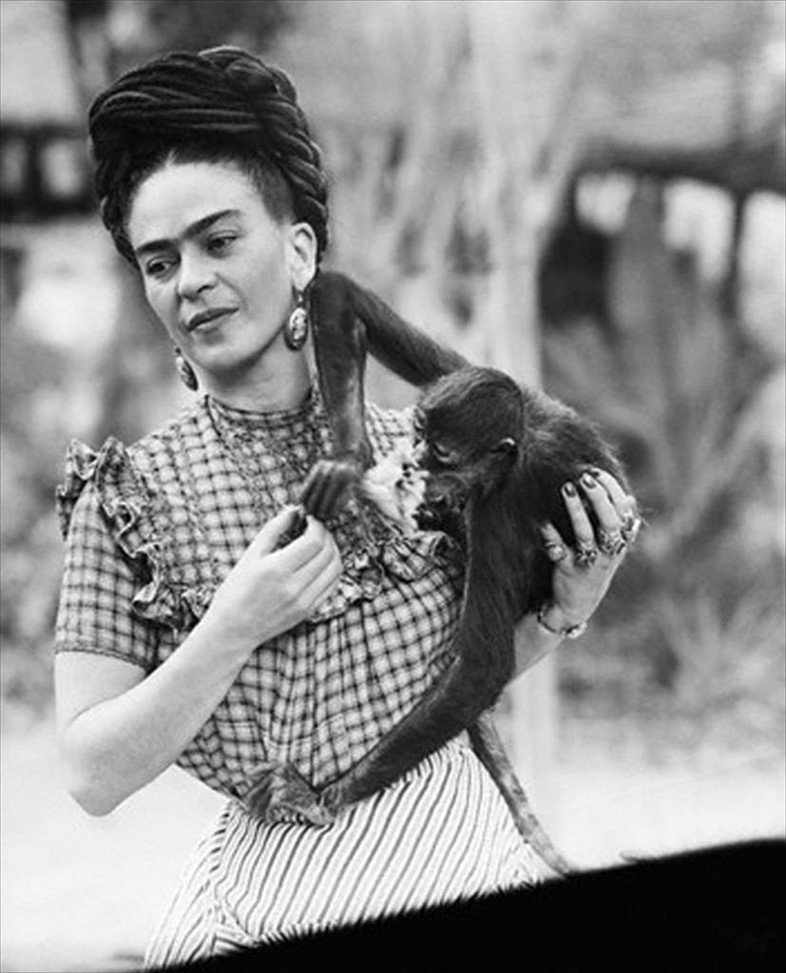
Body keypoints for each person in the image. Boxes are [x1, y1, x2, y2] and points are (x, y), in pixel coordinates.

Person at [53, 46, 638, 967]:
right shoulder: (131, 498)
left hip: (468, 857)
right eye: (159, 261)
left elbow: (465, 670)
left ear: (300, 251)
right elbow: (92, 772)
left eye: (218, 241)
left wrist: (566, 609)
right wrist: (233, 625)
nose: (189, 280)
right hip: (270, 906)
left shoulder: (436, 453)